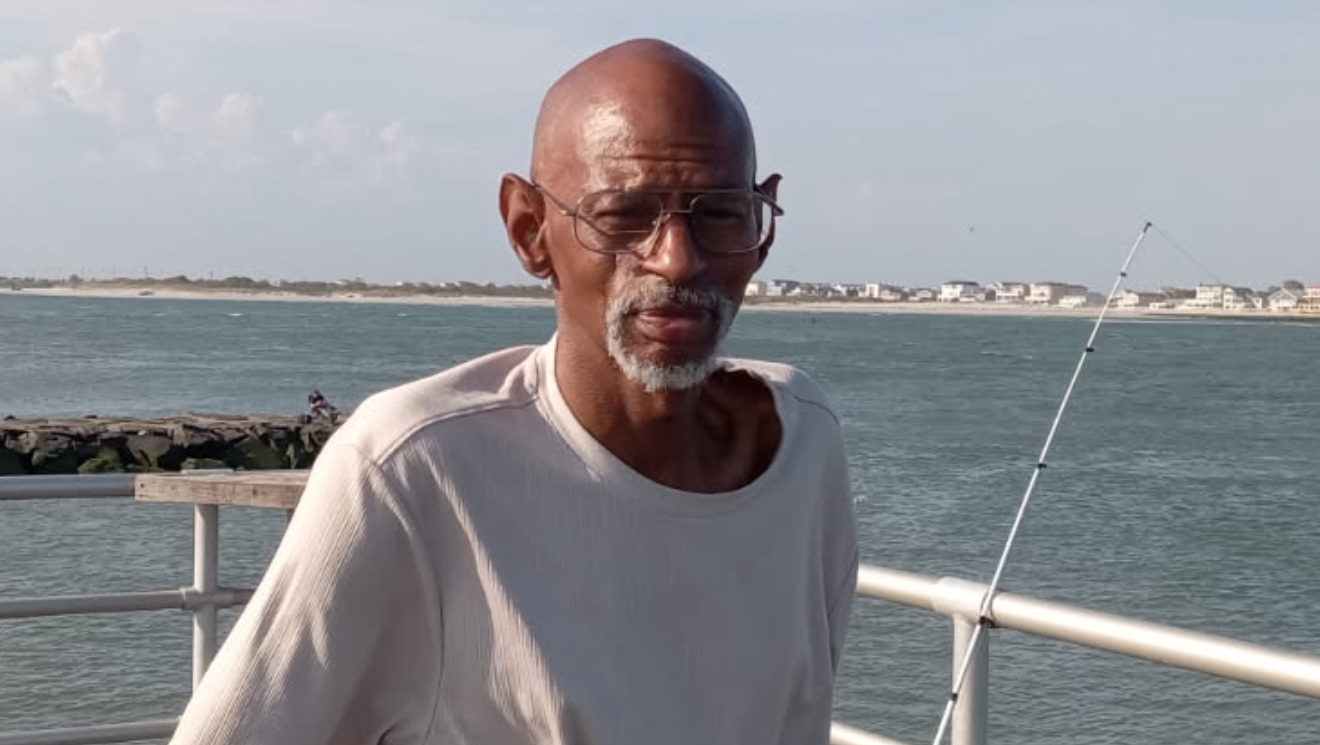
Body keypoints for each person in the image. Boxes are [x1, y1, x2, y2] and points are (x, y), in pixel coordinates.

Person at [168, 38, 858, 745]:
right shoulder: (412, 468)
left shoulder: (803, 443)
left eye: (719, 213)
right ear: (530, 231)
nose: (677, 258)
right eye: (624, 213)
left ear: (761, 229)